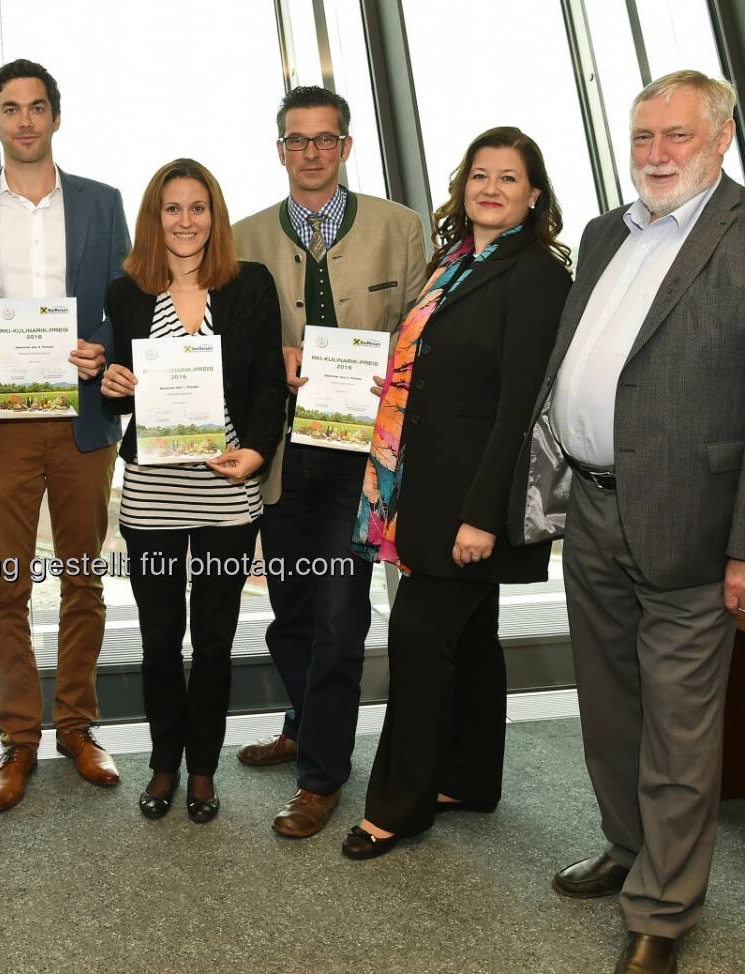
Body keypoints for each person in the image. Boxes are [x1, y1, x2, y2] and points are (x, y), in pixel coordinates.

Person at [514, 70, 745, 974]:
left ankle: (664, 908)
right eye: (643, 136)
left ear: (722, 139)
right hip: (594, 511)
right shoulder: (610, 232)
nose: (655, 154)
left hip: (698, 523)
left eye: (676, 136)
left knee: (681, 724)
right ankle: (627, 844)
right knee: (609, 705)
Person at [339, 128, 572, 860]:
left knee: (418, 639)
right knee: (469, 638)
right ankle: (470, 778)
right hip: (428, 479)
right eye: (480, 175)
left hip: (469, 499)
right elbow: (452, 367)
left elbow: (520, 404)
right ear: (462, 186)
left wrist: (481, 516)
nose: (491, 188)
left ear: (534, 195)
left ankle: (400, 807)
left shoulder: (535, 274)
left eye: (509, 177)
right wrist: (408, 386)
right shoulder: (458, 264)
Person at [232, 85, 427, 838]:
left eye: (325, 139)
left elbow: (424, 330)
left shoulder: (398, 228)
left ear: (346, 147)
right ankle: (299, 722)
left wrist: (399, 372)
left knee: (342, 618)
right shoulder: (245, 236)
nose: (311, 152)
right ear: (279, 149)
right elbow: (228, 347)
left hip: (361, 459)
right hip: (284, 456)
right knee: (293, 612)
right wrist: (265, 357)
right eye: (296, 139)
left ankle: (321, 778)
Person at [0, 58, 130, 812]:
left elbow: (123, 298)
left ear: (56, 116)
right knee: (5, 588)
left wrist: (105, 345)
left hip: (82, 416)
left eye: (37, 107)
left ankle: (78, 727)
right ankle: (18, 738)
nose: (24, 120)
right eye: (11, 109)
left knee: (84, 579)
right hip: (5, 419)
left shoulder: (101, 202)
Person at [100, 159, 286, 822]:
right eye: (172, 209)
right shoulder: (126, 292)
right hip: (152, 492)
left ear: (215, 216)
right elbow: (119, 381)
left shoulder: (249, 285)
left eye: (197, 208)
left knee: (211, 640)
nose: (185, 221)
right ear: (156, 219)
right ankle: (162, 764)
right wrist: (113, 384)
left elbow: (268, 384)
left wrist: (260, 452)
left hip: (227, 491)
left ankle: (202, 769)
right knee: (157, 640)